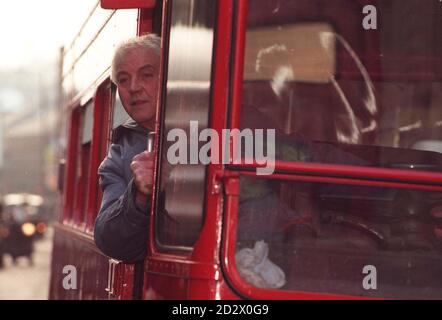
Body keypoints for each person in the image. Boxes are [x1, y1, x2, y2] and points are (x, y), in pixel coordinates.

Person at [94, 34, 161, 262]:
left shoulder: (216, 129)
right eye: (123, 80)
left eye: (146, 75)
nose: (134, 87)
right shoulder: (119, 155)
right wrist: (139, 194)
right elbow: (107, 240)